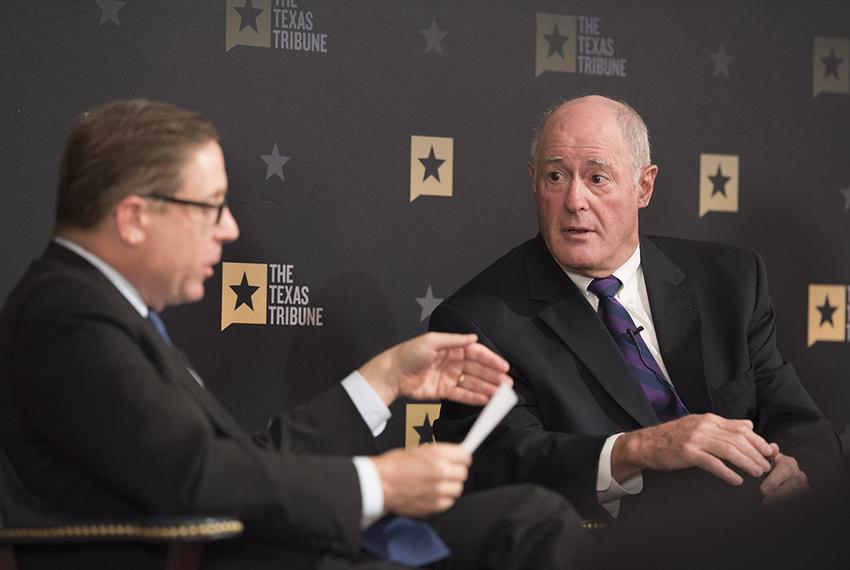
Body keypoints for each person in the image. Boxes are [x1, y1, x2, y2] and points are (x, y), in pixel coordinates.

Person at [0, 99, 592, 569]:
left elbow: (232, 461)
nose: (228, 228)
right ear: (133, 218)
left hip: (257, 540)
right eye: (210, 206)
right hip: (222, 555)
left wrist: (383, 379)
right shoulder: (66, 316)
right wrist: (378, 483)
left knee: (531, 519)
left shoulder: (101, 307)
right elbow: (196, 477)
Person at [430, 95, 840, 522]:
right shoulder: (480, 321)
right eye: (556, 176)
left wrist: (797, 466)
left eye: (597, 178)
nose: (574, 200)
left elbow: (801, 422)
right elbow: (492, 463)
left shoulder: (730, 281)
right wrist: (635, 450)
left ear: (643, 186)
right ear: (534, 182)